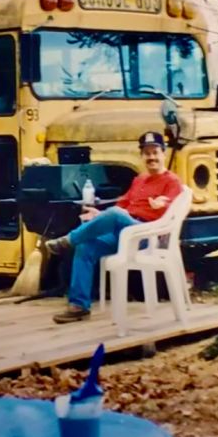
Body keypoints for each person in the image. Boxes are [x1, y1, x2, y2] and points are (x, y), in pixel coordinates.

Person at [45, 131, 183, 324]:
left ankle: (67, 240)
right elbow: (121, 206)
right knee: (86, 246)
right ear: (141, 155)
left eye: (155, 152)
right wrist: (98, 216)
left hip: (146, 235)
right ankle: (79, 306)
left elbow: (174, 206)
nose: (151, 157)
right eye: (147, 153)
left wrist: (162, 204)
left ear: (163, 153)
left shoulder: (172, 181)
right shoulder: (139, 180)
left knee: (114, 215)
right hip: (125, 233)